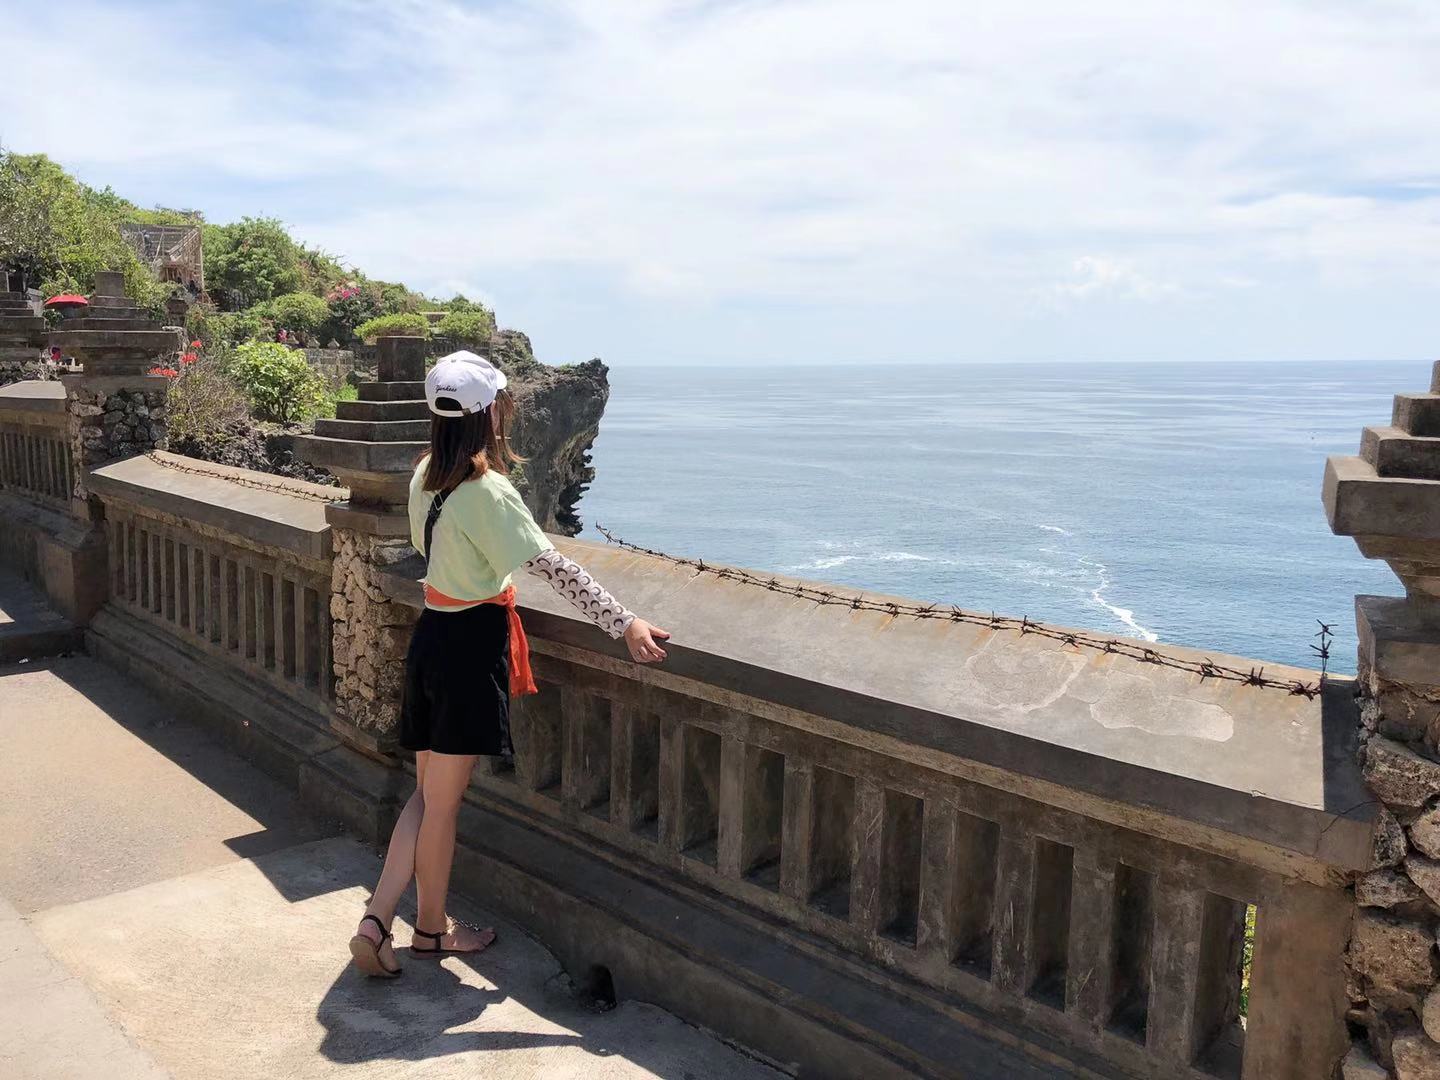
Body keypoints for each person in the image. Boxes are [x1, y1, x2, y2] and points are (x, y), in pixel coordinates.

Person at [348, 351, 670, 978]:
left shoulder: (424, 476)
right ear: (490, 413)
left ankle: (421, 928)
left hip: (432, 636)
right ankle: (385, 921)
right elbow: (551, 567)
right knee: (439, 805)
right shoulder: (489, 492)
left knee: (426, 796)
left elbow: (425, 549)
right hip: (469, 648)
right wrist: (623, 622)